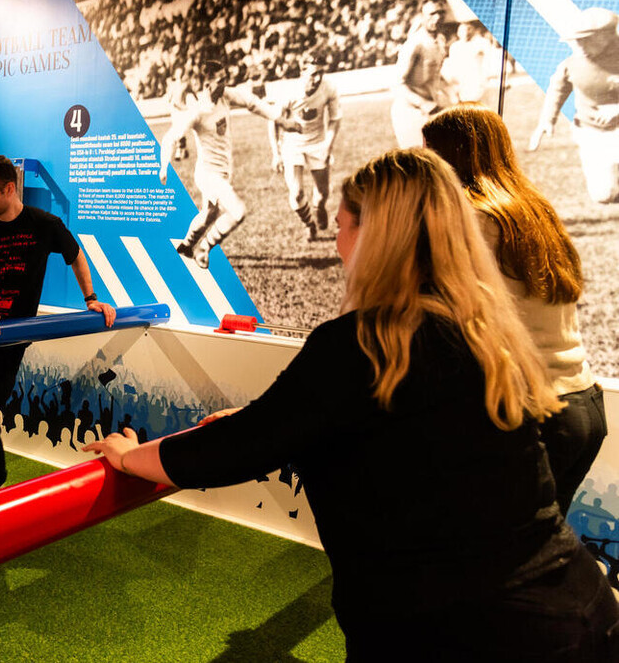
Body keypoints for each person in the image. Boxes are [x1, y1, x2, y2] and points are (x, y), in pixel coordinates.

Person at [85, 148, 619, 659]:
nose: (337, 241)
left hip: (473, 634)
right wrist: (282, 428)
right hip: (572, 607)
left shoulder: (368, 341)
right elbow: (388, 439)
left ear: (375, 236)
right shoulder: (477, 327)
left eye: (341, 226)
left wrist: (128, 456)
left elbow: (234, 450)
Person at [424, 103, 607, 516]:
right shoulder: (535, 209)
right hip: (582, 406)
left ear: (451, 158)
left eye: (429, 158)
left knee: (495, 564)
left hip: (532, 414)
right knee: (533, 558)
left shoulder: (472, 218)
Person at [0, 155, 115, 499]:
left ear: (10, 188)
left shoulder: (45, 224)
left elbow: (75, 254)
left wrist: (91, 298)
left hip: (9, 342)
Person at [158, 59, 302, 266]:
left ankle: (185, 247)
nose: (225, 84)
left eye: (225, 79)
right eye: (221, 81)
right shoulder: (198, 111)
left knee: (209, 214)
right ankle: (204, 248)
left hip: (224, 171)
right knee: (237, 211)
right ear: (207, 85)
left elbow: (253, 103)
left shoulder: (225, 96)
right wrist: (164, 166)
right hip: (208, 174)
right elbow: (170, 138)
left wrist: (283, 122)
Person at [529, 7, 619, 205]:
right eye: (576, 40)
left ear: (605, 36)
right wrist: (546, 120)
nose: (579, 45)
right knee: (603, 195)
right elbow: (557, 89)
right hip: (590, 131)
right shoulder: (572, 63)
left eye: (585, 39)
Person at [267, 54, 341, 241]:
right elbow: (273, 121)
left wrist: (328, 146)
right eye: (313, 74)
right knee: (296, 191)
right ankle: (309, 225)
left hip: (318, 143)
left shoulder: (329, 87)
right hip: (293, 144)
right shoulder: (289, 91)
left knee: (323, 192)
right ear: (302, 72)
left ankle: (319, 206)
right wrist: (276, 153)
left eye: (321, 73)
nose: (318, 79)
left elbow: (334, 119)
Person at [390, 0, 451, 147]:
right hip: (408, 111)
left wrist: (454, 95)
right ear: (421, 16)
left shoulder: (441, 40)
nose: (437, 18)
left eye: (441, 12)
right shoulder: (414, 44)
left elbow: (436, 74)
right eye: (432, 13)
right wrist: (423, 103)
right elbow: (397, 84)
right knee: (419, 163)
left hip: (430, 110)